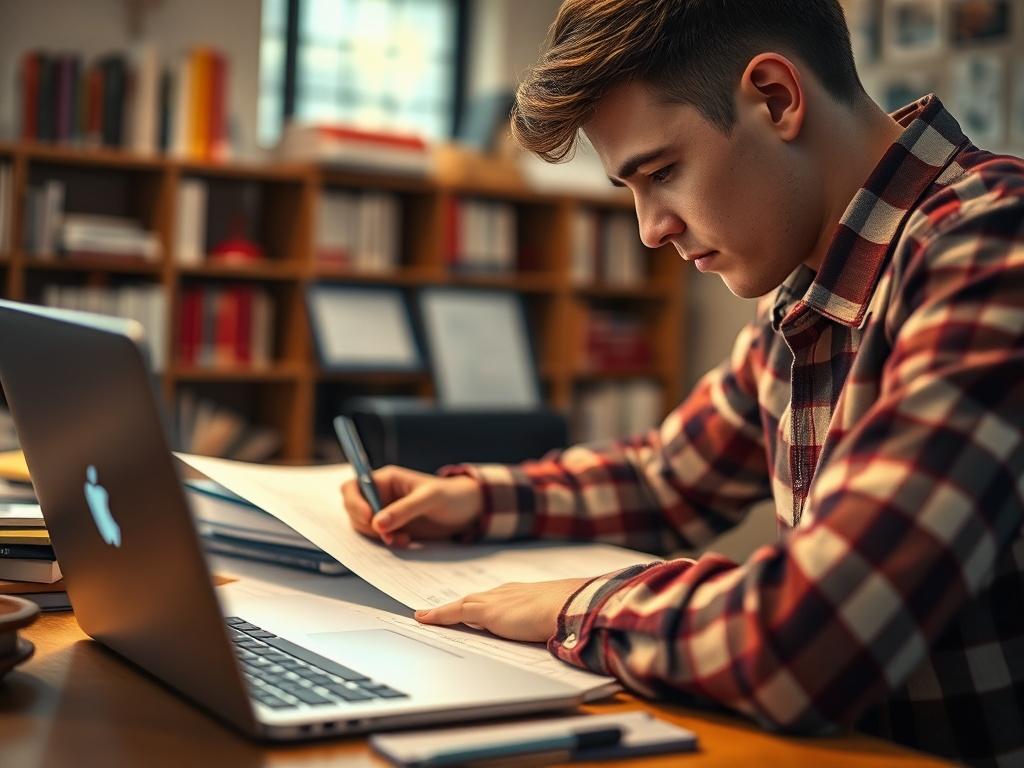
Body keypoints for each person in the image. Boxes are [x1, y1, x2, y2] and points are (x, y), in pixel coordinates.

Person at [341, 1, 1024, 764]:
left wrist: (578, 607)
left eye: (661, 172)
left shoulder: (990, 249)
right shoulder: (809, 282)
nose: (649, 228)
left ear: (775, 97)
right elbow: (668, 479)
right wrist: (473, 499)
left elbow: (814, 636)